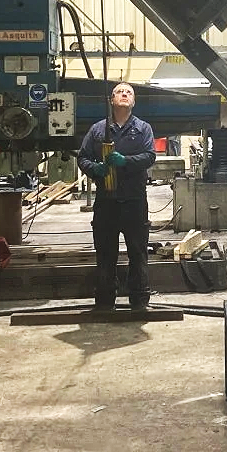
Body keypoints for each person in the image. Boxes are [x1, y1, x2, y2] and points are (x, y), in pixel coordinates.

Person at [77, 82, 156, 310]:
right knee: (105, 254)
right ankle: (104, 301)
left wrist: (125, 162)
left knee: (138, 253)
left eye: (129, 92)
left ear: (133, 101)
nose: (124, 94)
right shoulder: (98, 130)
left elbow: (150, 156)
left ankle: (139, 301)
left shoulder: (143, 129)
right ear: (112, 100)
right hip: (106, 202)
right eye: (120, 91)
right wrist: (96, 169)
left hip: (134, 201)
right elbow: (83, 158)